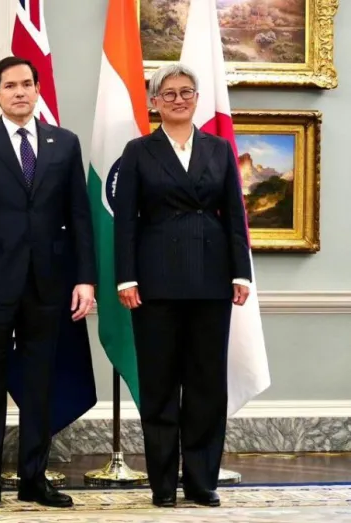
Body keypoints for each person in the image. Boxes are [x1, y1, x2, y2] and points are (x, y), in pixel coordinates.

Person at [0, 56, 96, 510]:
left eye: (27, 84)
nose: (20, 92)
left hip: (49, 285)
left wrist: (85, 279)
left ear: (37, 90)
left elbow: (79, 217)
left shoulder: (64, 144)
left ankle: (33, 478)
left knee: (40, 385)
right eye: (10, 86)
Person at [113, 62, 251, 508]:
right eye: (168, 93)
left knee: (207, 385)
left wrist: (241, 272)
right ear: (154, 102)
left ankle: (200, 480)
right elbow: (125, 222)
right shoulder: (138, 151)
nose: (178, 100)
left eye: (186, 92)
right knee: (159, 385)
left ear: (197, 99)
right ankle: (162, 484)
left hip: (212, 280)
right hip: (154, 283)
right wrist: (126, 276)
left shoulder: (219, 149)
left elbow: (234, 215)